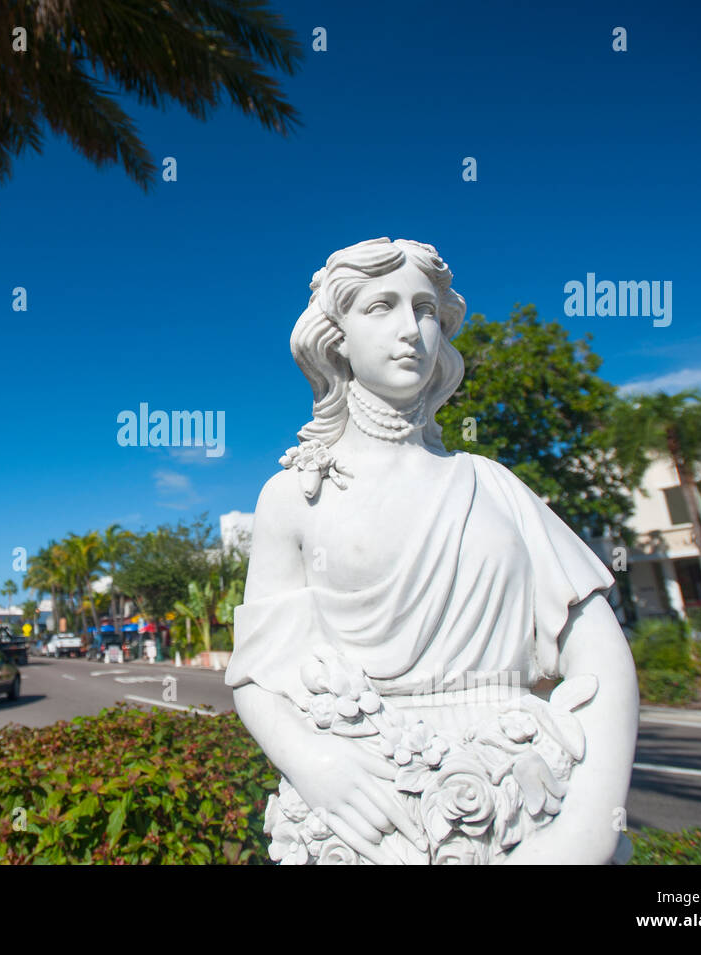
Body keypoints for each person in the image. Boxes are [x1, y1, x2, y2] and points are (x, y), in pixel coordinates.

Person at [227, 238, 638, 865]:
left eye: (424, 309)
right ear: (336, 338)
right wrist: (314, 763)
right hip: (361, 819)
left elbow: (601, 653)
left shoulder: (493, 484)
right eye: (380, 307)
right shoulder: (295, 495)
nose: (410, 329)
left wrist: (588, 827)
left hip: (524, 807)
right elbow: (257, 674)